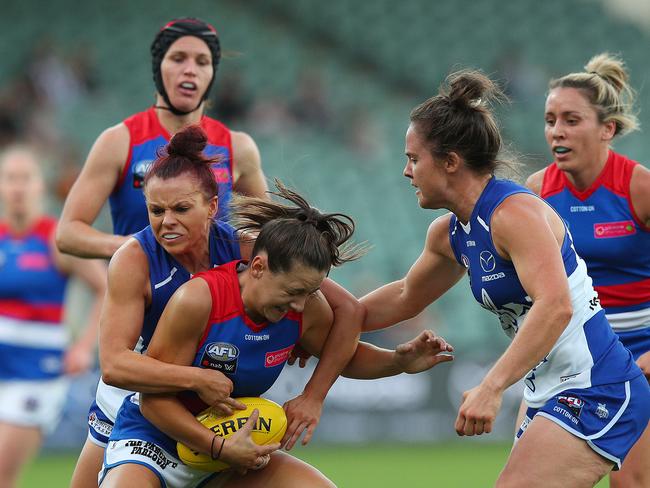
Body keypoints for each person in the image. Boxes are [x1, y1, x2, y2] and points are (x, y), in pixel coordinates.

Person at [360, 69, 650, 487]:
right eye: (550, 120)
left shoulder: (516, 212)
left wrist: (491, 387)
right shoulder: (454, 230)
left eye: (412, 158)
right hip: (547, 383)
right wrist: (317, 315)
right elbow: (405, 295)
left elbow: (556, 305)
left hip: (600, 380)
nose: (406, 171)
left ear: (451, 162)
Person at [99, 181, 454, 488]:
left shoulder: (305, 308)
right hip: (155, 443)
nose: (301, 306)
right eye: (292, 292)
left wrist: (398, 361)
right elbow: (153, 402)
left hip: (231, 451)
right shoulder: (198, 299)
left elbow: (344, 352)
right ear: (258, 267)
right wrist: (217, 447)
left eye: (310, 293)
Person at [70, 125, 365, 488]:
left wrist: (312, 390)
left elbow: (344, 310)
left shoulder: (246, 250)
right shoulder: (134, 259)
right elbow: (115, 364)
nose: (167, 221)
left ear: (212, 207)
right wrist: (197, 378)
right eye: (155, 210)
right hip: (141, 395)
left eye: (180, 208)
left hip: (216, 410)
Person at [527, 52, 650, 488]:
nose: (556, 131)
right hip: (570, 355)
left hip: (639, 356)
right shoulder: (537, 192)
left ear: (608, 129)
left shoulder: (639, 187)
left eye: (571, 120)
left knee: (629, 482)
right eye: (550, 119)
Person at [56, 17, 267, 260]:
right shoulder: (119, 141)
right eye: (178, 59)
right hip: (140, 295)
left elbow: (270, 234)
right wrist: (136, 248)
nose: (190, 69)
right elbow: (68, 233)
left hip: (214, 297)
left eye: (202, 62)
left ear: (212, 74)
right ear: (158, 66)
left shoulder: (238, 147)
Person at [0, 146, 106, 488]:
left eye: (24, 178)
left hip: (35, 374)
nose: (16, 187)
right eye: (9, 179)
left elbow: (106, 287)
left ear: (39, 186)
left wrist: (84, 348)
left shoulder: (54, 237)